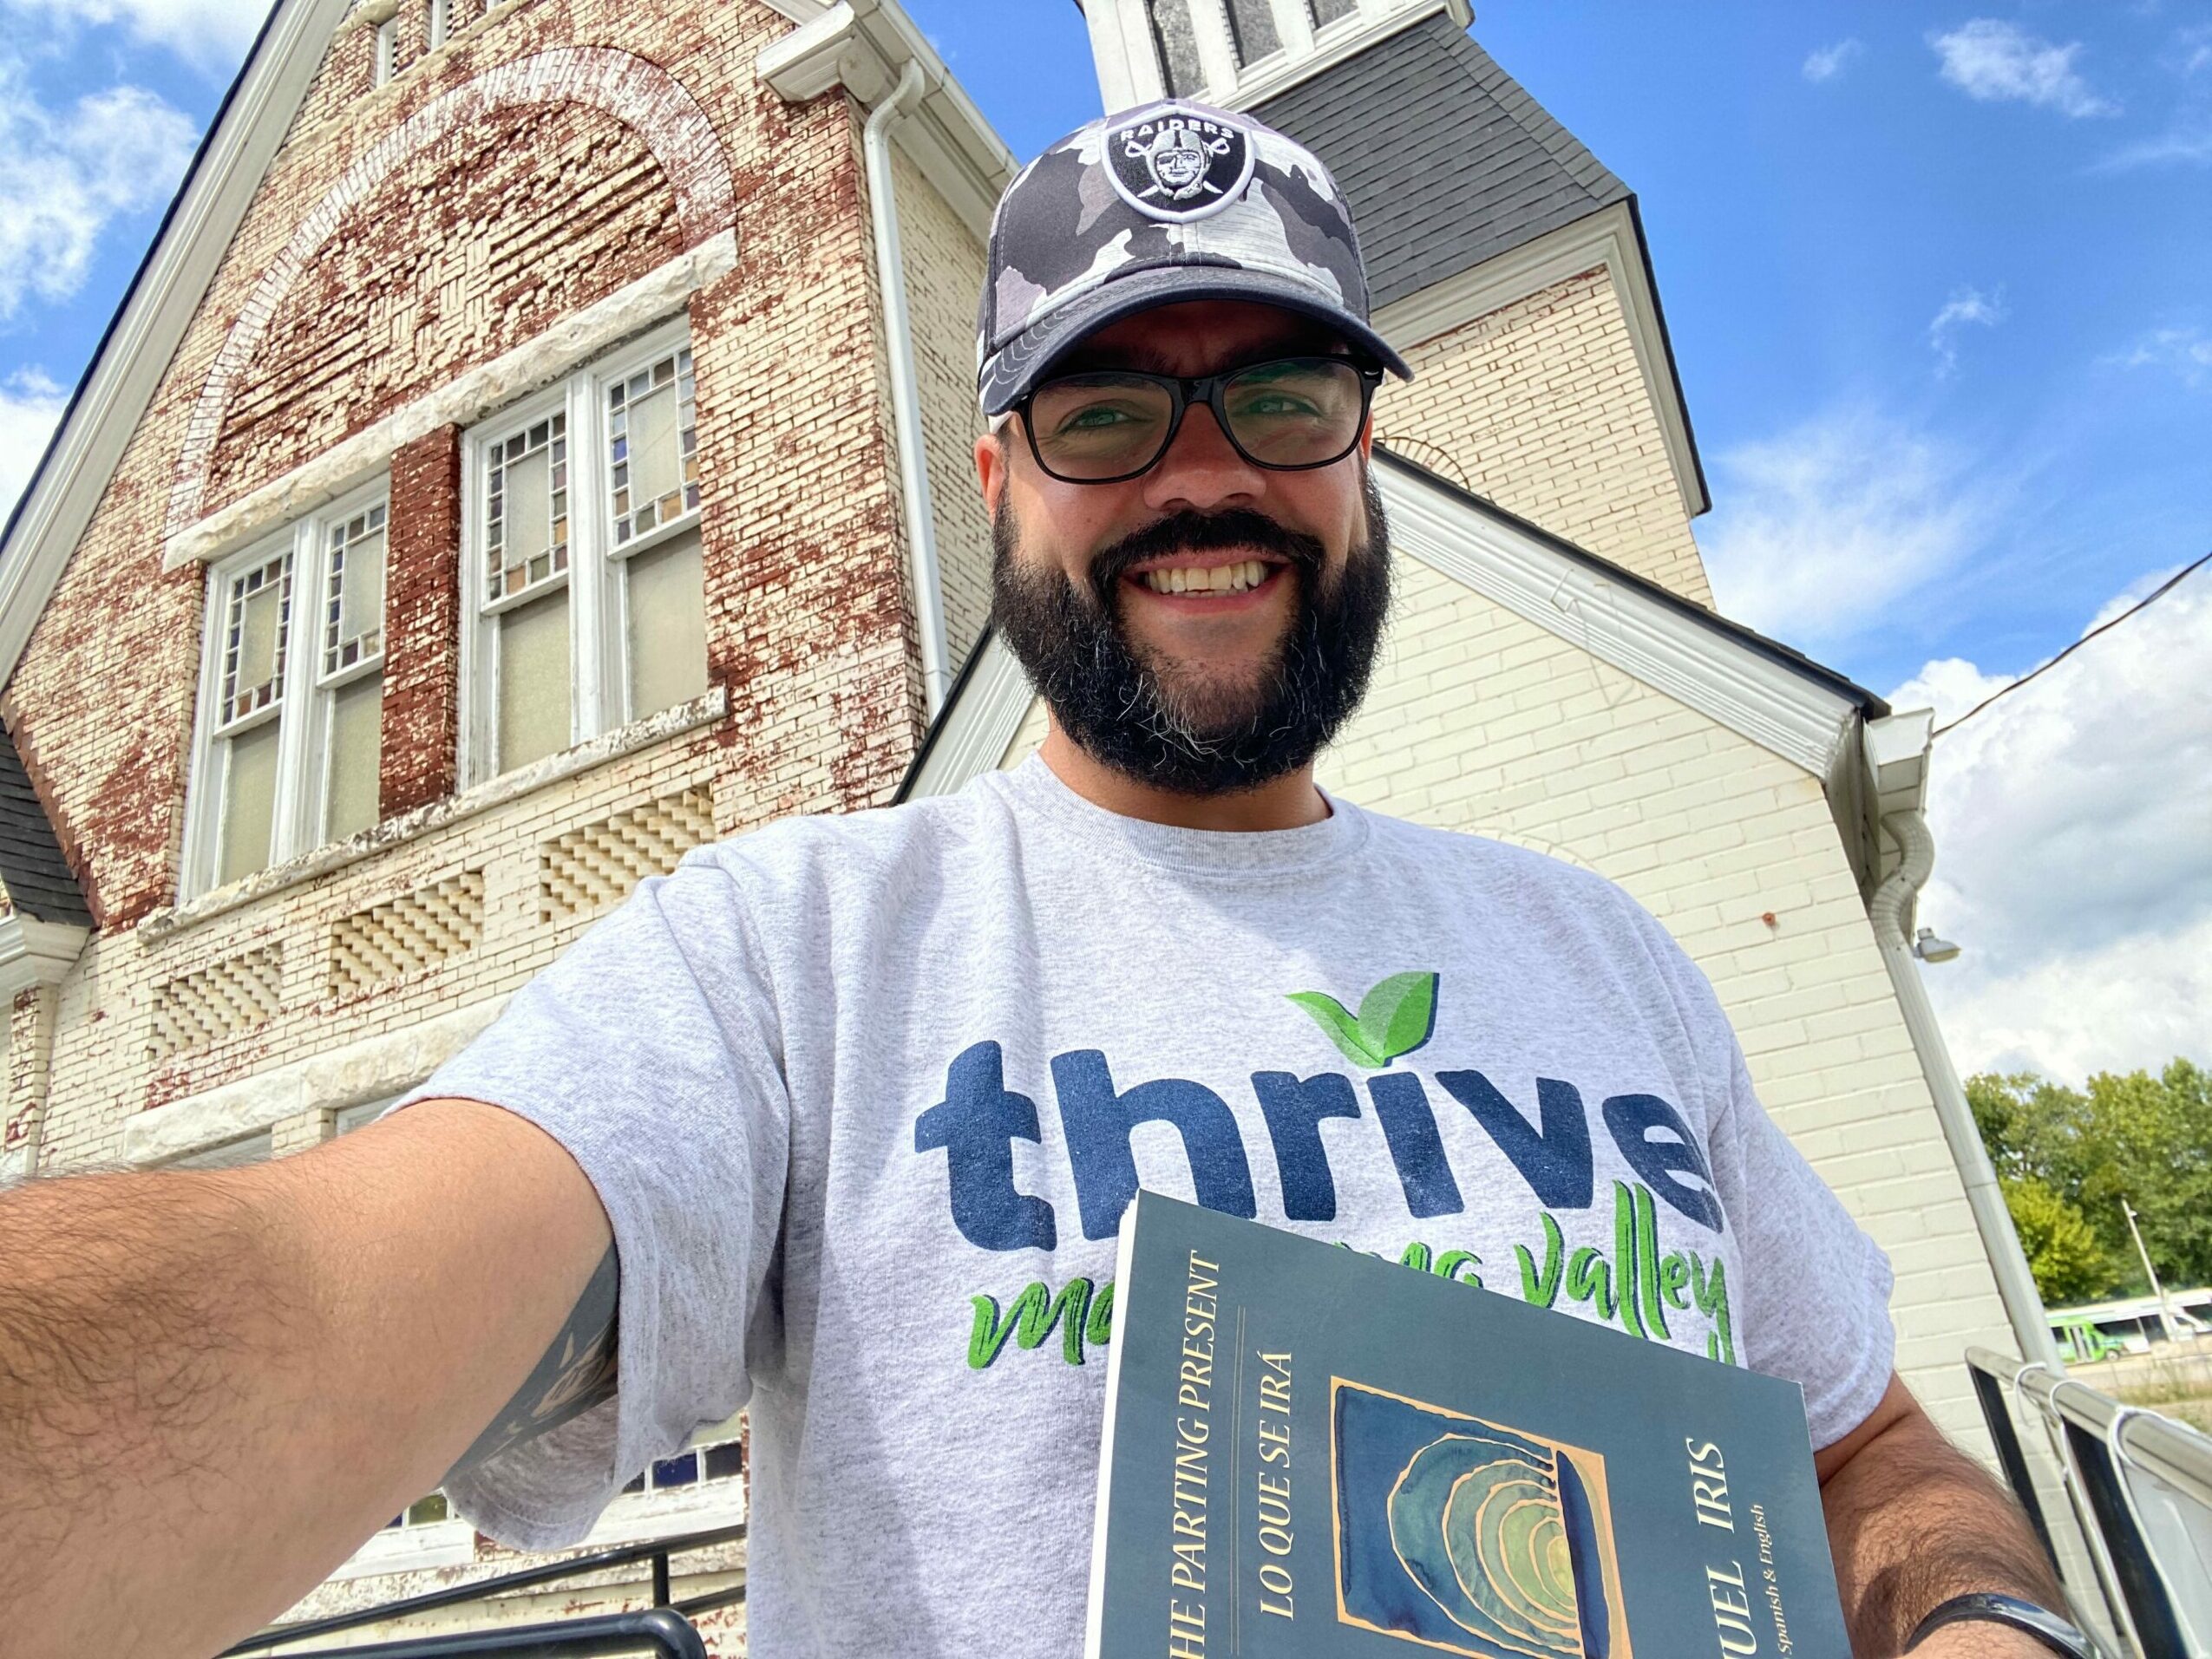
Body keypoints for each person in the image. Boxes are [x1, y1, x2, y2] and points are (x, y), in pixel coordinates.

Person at [1, 101, 2083, 1659]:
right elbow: (315, 1301)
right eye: (1105, 407)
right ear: (997, 477)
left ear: (1364, 450)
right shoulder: (796, 961)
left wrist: (1991, 1632)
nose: (1203, 470)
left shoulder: (1609, 963)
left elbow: (1865, 1456)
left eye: (1279, 392)